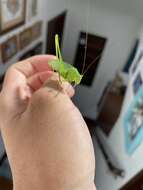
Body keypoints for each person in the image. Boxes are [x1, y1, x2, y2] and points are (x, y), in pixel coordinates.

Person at [0, 55, 96, 190]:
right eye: (78, 78)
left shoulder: (74, 76)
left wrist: (80, 183)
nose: (78, 80)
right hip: (58, 71)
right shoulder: (70, 73)